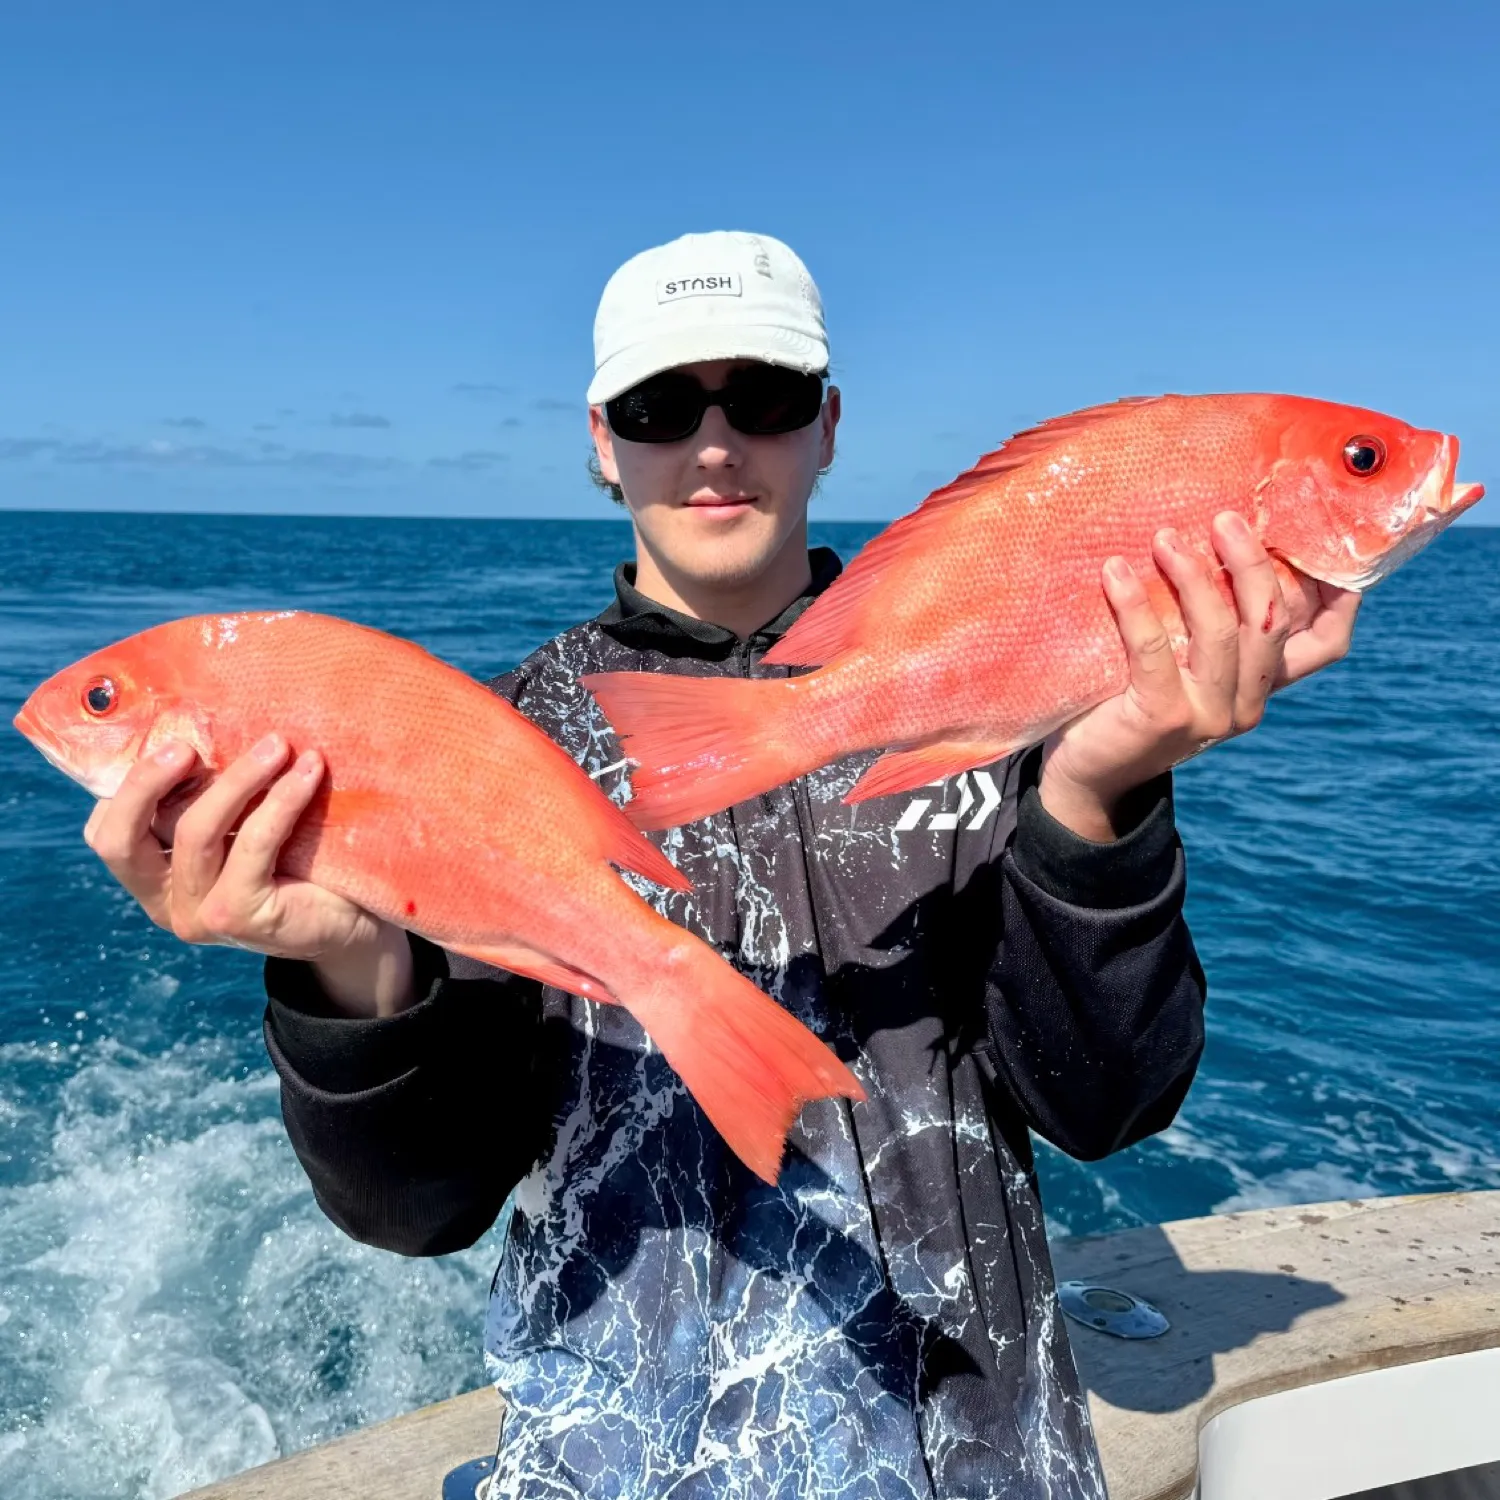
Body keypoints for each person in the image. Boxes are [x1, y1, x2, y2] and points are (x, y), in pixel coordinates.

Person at [84, 231, 1359, 1499]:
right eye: (657, 405)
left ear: (828, 423)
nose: (712, 444)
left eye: (763, 397)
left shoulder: (1003, 701)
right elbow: (419, 1208)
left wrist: (1098, 786)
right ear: (601, 438)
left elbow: (1104, 1107)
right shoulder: (504, 743)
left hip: (977, 1459)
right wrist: (342, 967)